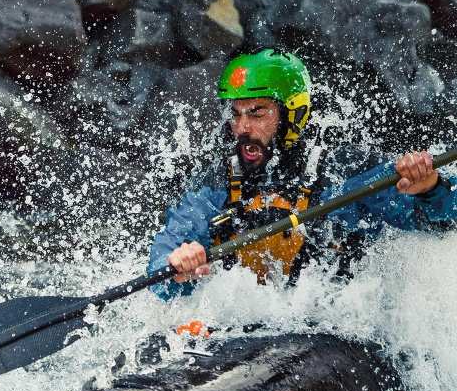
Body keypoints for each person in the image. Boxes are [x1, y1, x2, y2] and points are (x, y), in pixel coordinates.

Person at [147, 48, 457, 301]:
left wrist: (430, 188)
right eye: (236, 114)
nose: (242, 127)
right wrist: (176, 264)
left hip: (334, 328)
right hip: (252, 327)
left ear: (292, 114)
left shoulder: (341, 170)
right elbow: (162, 269)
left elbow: (444, 222)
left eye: (257, 113)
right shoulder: (218, 183)